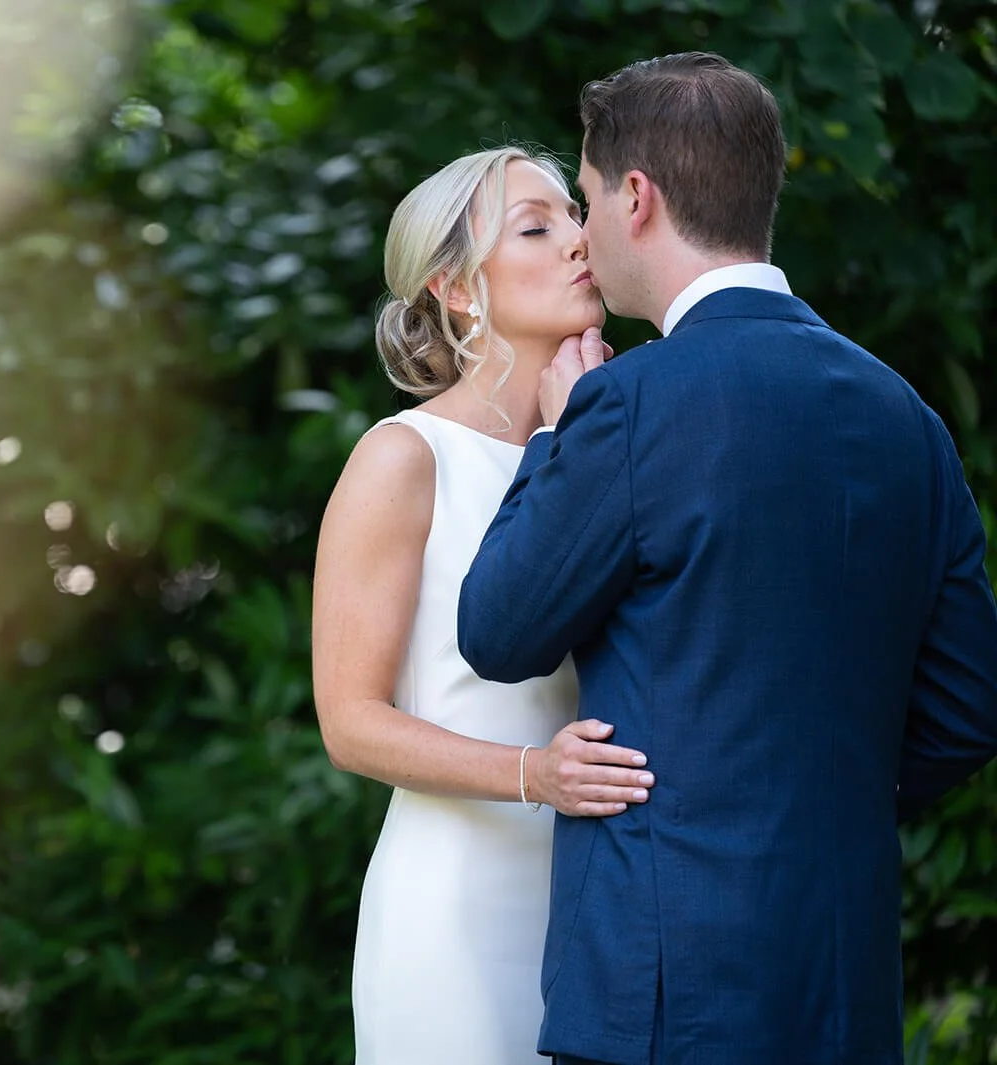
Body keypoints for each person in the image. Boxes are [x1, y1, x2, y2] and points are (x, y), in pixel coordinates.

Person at [456, 53, 997, 1065]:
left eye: (582, 200)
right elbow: (969, 707)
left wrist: (551, 438)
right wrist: (812, 801)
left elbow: (498, 630)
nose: (581, 234)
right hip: (841, 977)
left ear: (636, 196)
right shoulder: (906, 416)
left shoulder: (627, 403)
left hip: (665, 983)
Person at [310, 146, 657, 1065]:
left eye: (573, 218)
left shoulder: (613, 436)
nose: (580, 242)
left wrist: (578, 433)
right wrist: (534, 775)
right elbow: (350, 725)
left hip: (605, 903)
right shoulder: (403, 457)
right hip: (457, 912)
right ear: (459, 290)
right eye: (537, 228)